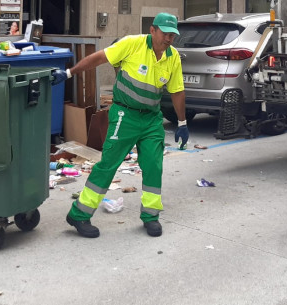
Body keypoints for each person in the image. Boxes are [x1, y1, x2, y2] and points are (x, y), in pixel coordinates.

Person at [52, 12, 188, 238]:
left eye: (172, 35)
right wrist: (69, 73)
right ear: (153, 30)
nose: (168, 39)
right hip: (126, 115)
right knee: (108, 164)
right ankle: (79, 214)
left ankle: (150, 216)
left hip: (151, 119)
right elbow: (98, 58)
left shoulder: (172, 56)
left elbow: (177, 90)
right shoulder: (132, 44)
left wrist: (182, 122)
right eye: (165, 33)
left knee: (154, 165)